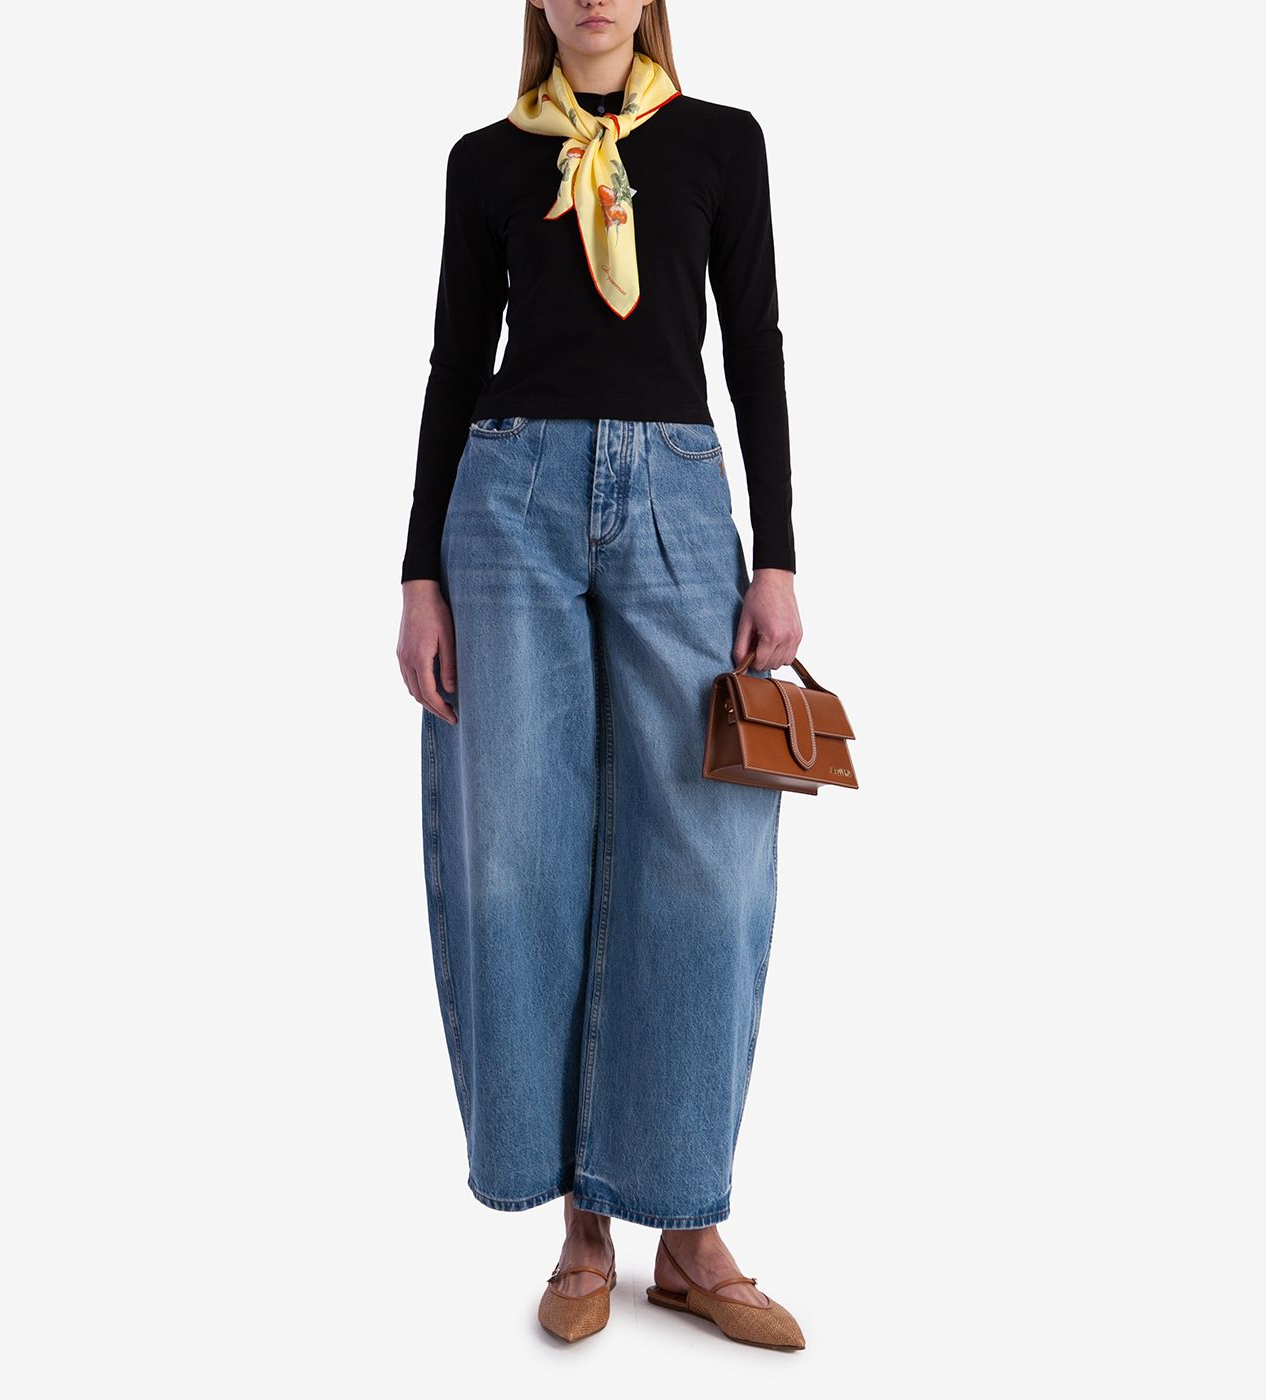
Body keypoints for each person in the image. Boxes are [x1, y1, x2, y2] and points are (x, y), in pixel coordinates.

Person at [397, 0, 806, 1350]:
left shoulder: (723, 143)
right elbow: (456, 358)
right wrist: (418, 573)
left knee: (704, 863)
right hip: (506, 502)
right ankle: (583, 1226)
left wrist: (777, 557)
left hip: (679, 497)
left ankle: (686, 1226)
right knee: (521, 855)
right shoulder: (485, 161)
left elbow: (755, 344)